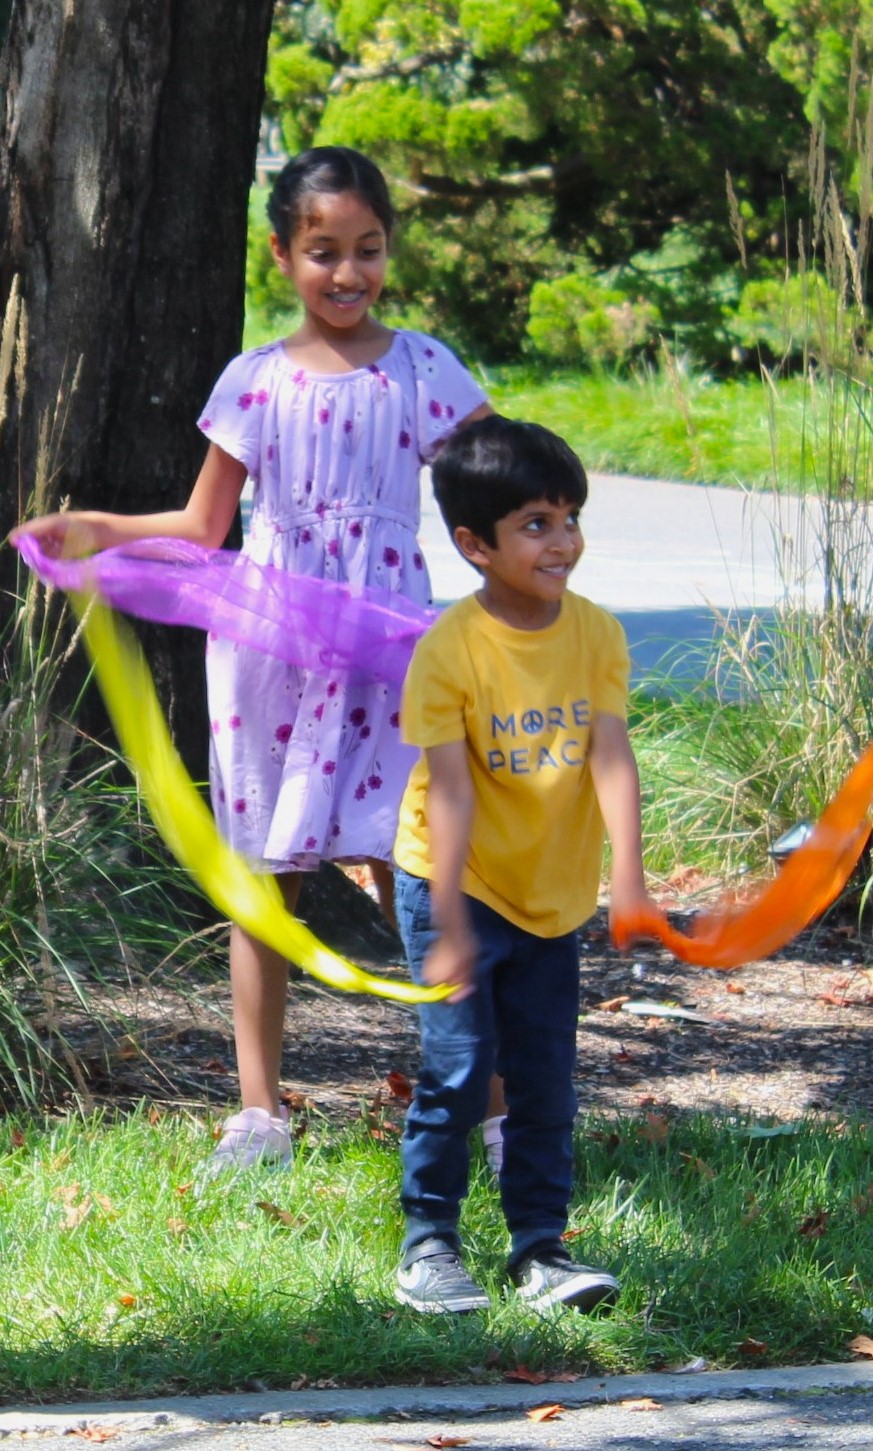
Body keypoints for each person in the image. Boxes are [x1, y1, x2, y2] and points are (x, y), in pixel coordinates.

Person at [10, 146, 492, 1175]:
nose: (348, 273)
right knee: (264, 882)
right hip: (270, 656)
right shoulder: (255, 382)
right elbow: (203, 521)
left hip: (386, 653)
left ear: (389, 253)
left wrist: (526, 570)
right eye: (324, 252)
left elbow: (491, 482)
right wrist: (99, 527)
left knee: (419, 868)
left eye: (368, 250)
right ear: (282, 254)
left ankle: (484, 1105)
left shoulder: (424, 370)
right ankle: (261, 1111)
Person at [391, 415, 660, 1313]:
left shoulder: (594, 634)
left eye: (570, 516)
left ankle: (540, 1250)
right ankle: (429, 1244)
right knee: (460, 1070)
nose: (563, 541)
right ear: (474, 544)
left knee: (545, 1078)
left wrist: (627, 875)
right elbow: (450, 794)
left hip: (551, 896)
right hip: (454, 882)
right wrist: (453, 926)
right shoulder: (450, 651)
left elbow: (609, 755)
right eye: (535, 524)